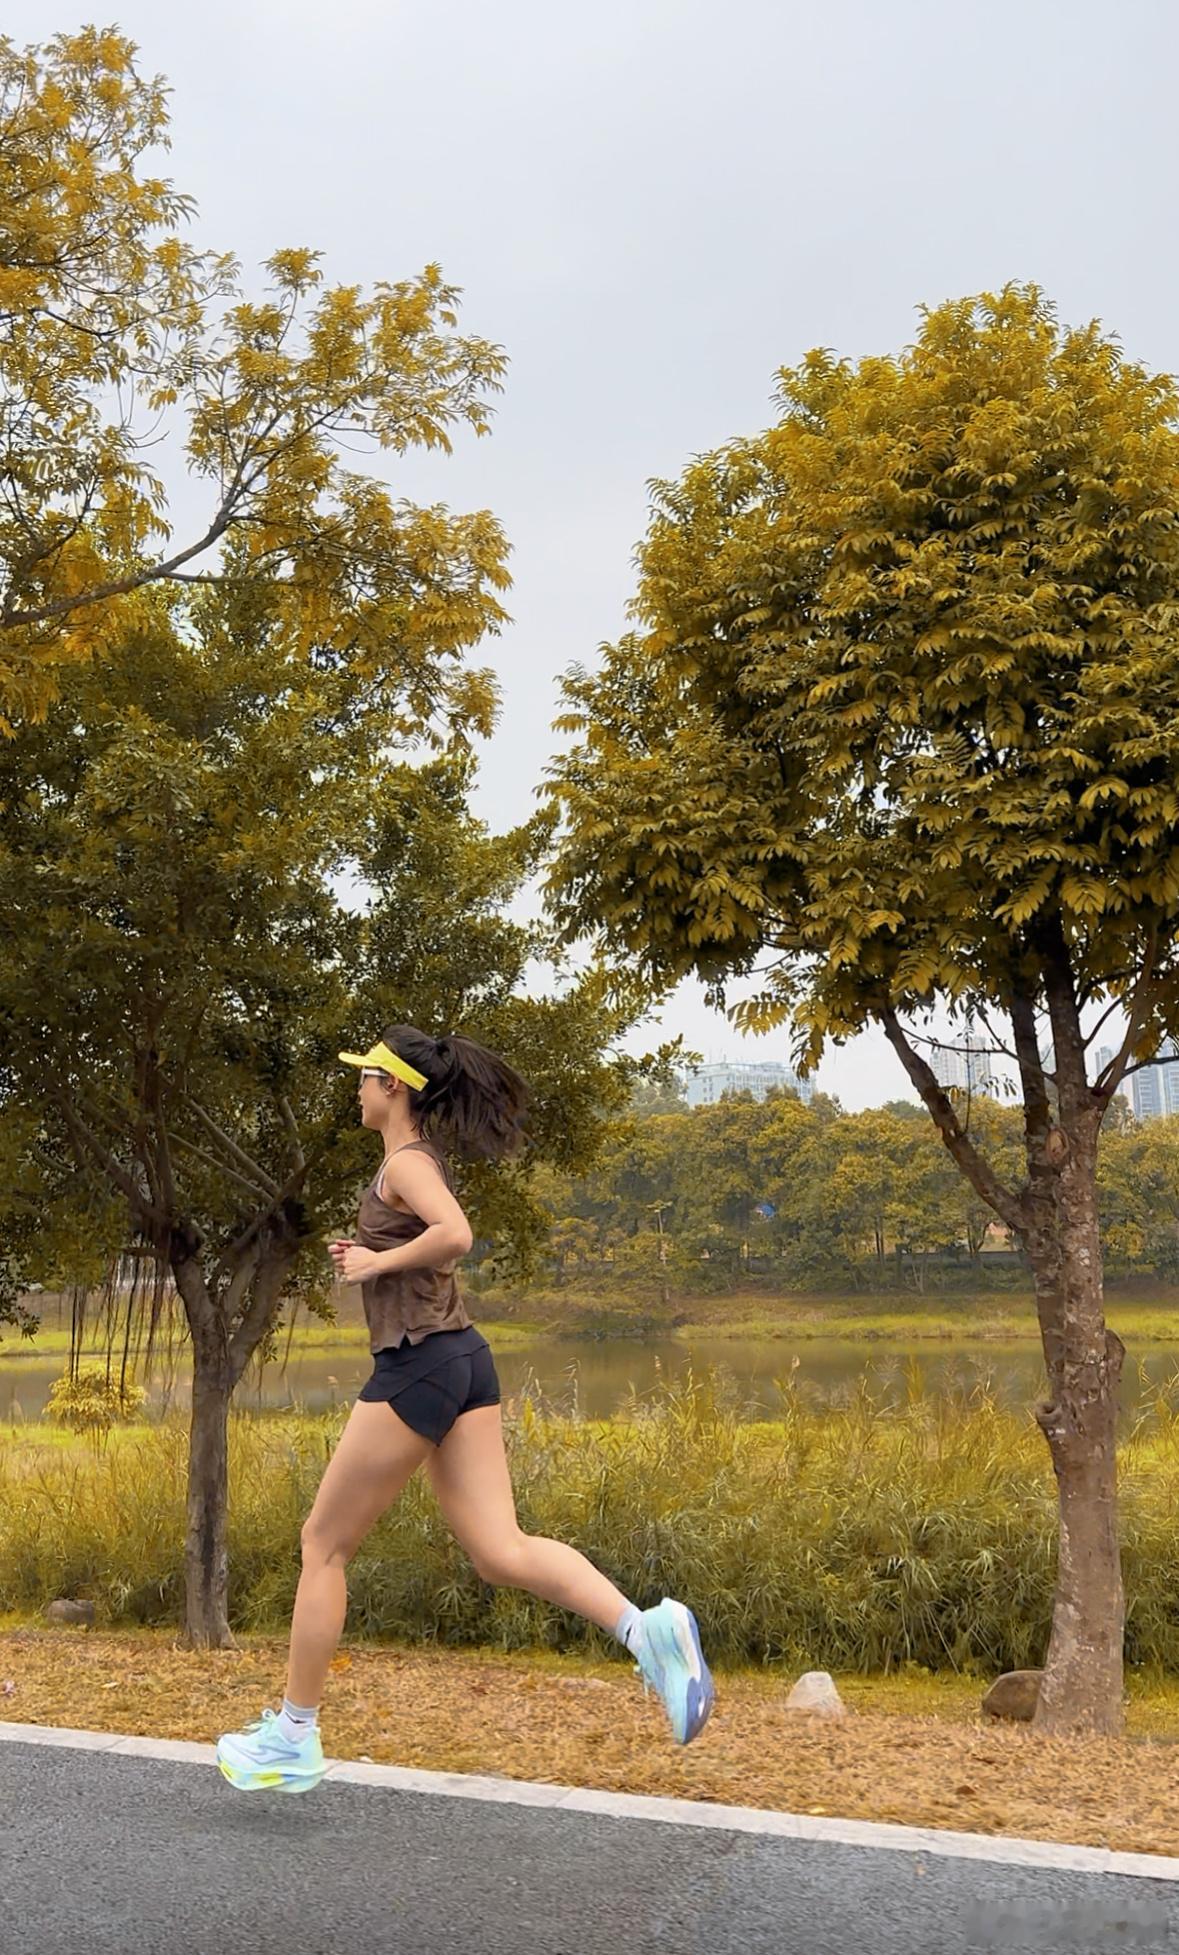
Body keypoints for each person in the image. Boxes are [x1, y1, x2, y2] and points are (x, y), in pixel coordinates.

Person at [216, 1025, 715, 1793]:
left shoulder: (406, 1164)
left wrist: (378, 1259)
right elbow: (439, 1237)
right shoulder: (412, 1163)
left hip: (420, 1364)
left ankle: (292, 1734)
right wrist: (376, 1257)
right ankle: (643, 1629)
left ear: (395, 1087)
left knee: (322, 1544)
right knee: (499, 1550)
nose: (355, 1088)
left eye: (365, 1077)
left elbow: (456, 1235)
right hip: (461, 1357)